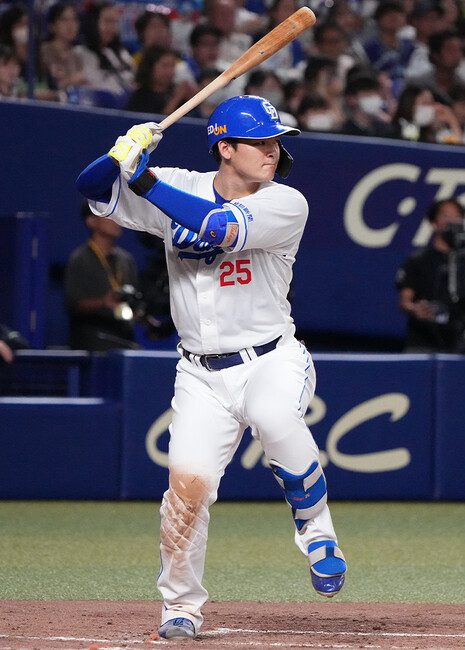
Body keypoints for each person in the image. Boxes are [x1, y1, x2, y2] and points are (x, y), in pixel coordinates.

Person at [75, 95, 347, 639]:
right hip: (199, 373)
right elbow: (93, 189)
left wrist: (142, 177)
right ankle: (180, 608)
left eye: (275, 142)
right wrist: (120, 154)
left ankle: (317, 531)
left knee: (275, 418)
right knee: (187, 488)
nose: (272, 151)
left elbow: (218, 227)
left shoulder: (285, 202)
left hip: (270, 358)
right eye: (260, 141)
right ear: (225, 148)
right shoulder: (180, 184)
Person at [64, 201, 139, 352]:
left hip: (125, 343)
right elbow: (73, 305)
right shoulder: (79, 259)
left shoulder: (126, 260)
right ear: (91, 221)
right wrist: (103, 303)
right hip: (92, 345)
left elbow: (135, 303)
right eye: (109, 215)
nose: (117, 220)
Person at [395, 197, 465, 352]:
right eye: (445, 215)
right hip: (422, 344)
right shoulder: (418, 260)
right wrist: (415, 309)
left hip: (461, 344)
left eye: (457, 216)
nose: (451, 220)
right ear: (433, 222)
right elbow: (405, 301)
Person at [124, 44, 196, 117]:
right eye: (165, 66)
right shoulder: (140, 98)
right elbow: (159, 121)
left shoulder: (174, 91)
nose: (170, 71)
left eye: (172, 66)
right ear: (150, 67)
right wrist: (176, 98)